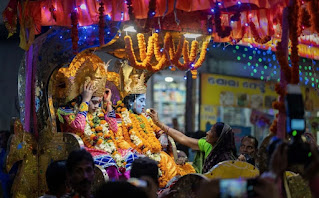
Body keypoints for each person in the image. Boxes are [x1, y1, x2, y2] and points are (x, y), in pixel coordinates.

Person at [57, 59, 138, 180]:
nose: (96, 106)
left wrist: (108, 103)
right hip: (85, 150)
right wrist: (85, 100)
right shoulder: (68, 111)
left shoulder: (98, 112)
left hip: (105, 148)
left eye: (99, 103)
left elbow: (114, 128)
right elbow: (79, 126)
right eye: (93, 102)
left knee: (132, 157)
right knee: (109, 162)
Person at [149, 109, 237, 174]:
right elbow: (183, 138)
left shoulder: (227, 159)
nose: (207, 133)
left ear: (219, 139)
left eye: (211, 131)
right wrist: (158, 123)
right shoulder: (207, 145)